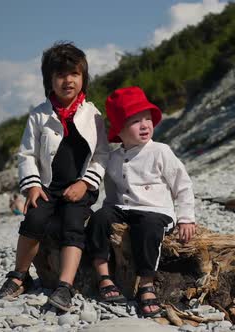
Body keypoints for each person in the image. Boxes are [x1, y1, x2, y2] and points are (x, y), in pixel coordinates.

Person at [0, 42, 109, 312]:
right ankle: (20, 275)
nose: (67, 81)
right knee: (34, 219)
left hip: (79, 187)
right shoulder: (39, 115)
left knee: (73, 223)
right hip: (47, 186)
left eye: (74, 74)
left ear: (84, 78)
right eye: (60, 75)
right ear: (49, 80)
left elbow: (102, 155)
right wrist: (33, 186)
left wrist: (85, 183)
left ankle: (64, 286)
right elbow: (26, 155)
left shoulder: (93, 115)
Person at [86, 86, 196, 317]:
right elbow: (113, 191)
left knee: (147, 228)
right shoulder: (115, 157)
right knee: (98, 218)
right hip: (123, 208)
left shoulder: (160, 151)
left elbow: (182, 184)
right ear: (120, 129)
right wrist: (109, 215)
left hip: (155, 210)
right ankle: (103, 275)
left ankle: (146, 283)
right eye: (136, 121)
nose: (145, 125)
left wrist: (186, 218)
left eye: (148, 119)